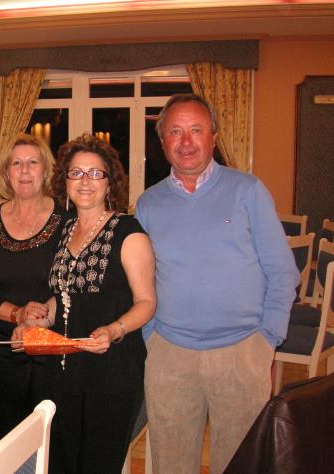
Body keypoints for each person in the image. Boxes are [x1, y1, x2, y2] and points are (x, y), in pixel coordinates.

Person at [135, 93, 299, 474]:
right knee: (171, 464)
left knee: (240, 463)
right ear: (162, 142)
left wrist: (267, 339)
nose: (186, 141)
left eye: (196, 130)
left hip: (243, 351)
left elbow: (282, 271)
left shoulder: (248, 190)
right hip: (170, 355)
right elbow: (141, 279)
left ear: (214, 137)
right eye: (175, 132)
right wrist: (151, 336)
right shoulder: (148, 204)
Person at [12, 134, 156, 473]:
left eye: (95, 173)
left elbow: (147, 302)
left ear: (110, 182)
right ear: (65, 182)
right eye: (76, 173)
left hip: (111, 369)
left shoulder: (128, 231)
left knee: (97, 464)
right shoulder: (66, 229)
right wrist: (33, 323)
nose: (85, 181)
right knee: (62, 461)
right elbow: (65, 295)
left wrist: (114, 329)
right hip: (64, 369)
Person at [0, 133, 67, 438]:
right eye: (16, 163)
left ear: (45, 171)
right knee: (9, 435)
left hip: (53, 348)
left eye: (33, 162)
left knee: (51, 436)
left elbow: (71, 284)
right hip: (4, 348)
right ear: (6, 173)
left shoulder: (68, 221)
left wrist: (37, 318)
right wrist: (18, 314)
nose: (24, 170)